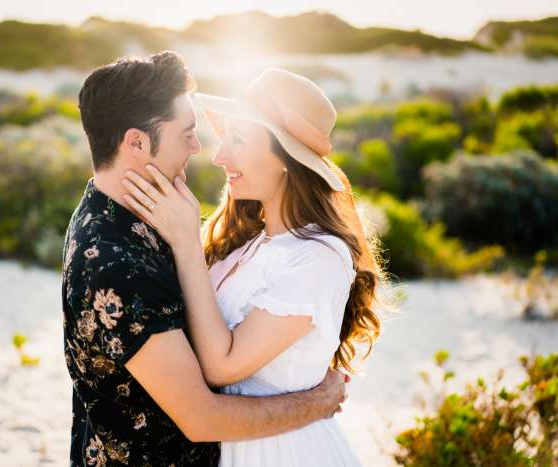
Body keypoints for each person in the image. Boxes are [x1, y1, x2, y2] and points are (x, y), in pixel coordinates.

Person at [62, 52, 349, 467]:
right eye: (187, 134)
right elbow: (201, 415)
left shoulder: (146, 226)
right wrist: (317, 401)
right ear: (137, 142)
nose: (206, 152)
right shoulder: (116, 261)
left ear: (287, 160)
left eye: (238, 139)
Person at [121, 68, 387, 466]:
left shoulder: (321, 257)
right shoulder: (245, 243)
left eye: (239, 140)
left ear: (286, 158)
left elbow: (220, 366)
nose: (218, 155)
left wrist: (187, 243)